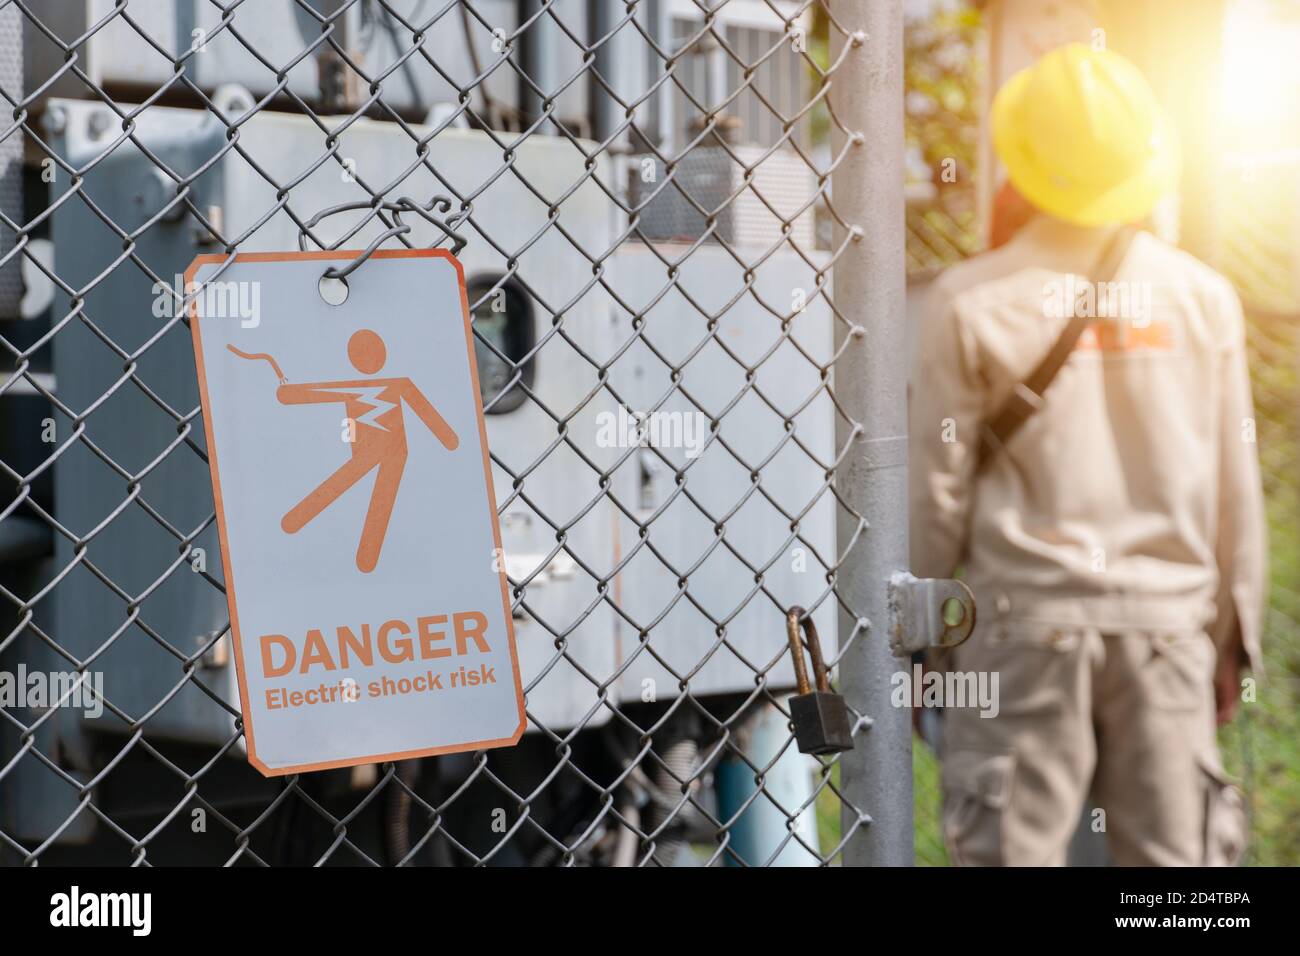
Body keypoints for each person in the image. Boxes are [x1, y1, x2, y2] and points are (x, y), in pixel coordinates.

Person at [909, 43, 1267, 866]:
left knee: (1012, 853)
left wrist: (925, 645)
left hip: (1018, 630)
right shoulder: (1202, 299)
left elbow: (937, 493)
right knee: (1174, 881)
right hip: (1168, 633)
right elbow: (1234, 490)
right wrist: (1228, 637)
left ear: (1022, 161)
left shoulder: (970, 303)